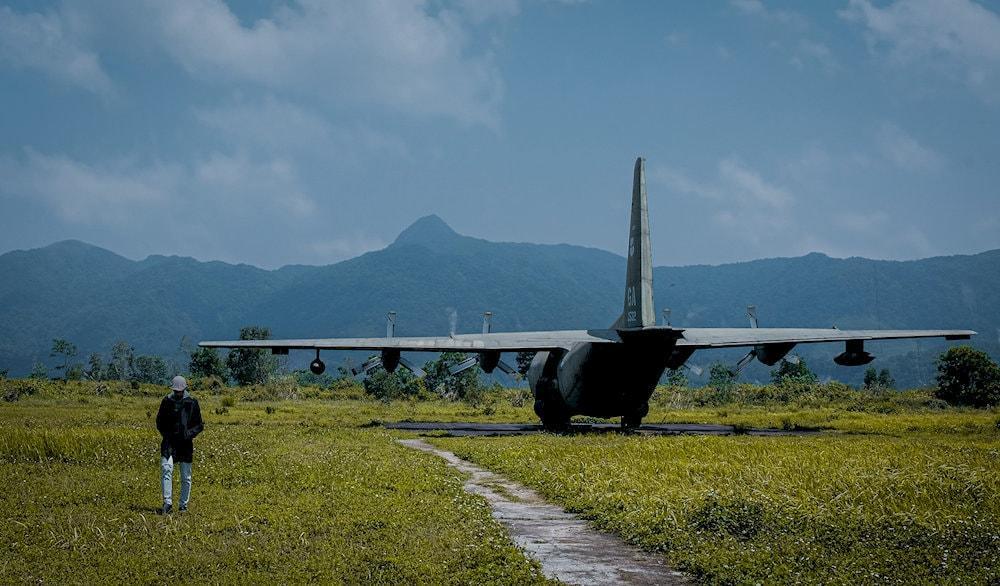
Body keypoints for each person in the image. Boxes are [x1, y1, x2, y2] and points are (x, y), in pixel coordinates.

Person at [155, 375, 204, 514]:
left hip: (185, 444)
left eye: (180, 391)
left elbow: (199, 425)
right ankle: (167, 503)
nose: (178, 394)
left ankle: (183, 505)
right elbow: (159, 421)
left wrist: (188, 434)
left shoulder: (192, 402)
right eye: (176, 391)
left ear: (184, 390)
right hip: (169, 442)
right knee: (166, 469)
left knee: (186, 476)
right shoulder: (166, 401)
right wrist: (166, 434)